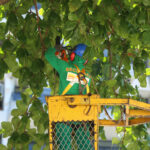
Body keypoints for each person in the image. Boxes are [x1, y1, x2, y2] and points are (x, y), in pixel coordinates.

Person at [45, 42, 93, 150]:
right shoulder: (88, 77)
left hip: (63, 116)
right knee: (85, 146)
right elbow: (75, 73)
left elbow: (48, 54)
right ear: (86, 60)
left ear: (72, 55)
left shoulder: (64, 66)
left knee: (64, 146)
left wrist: (56, 49)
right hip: (81, 119)